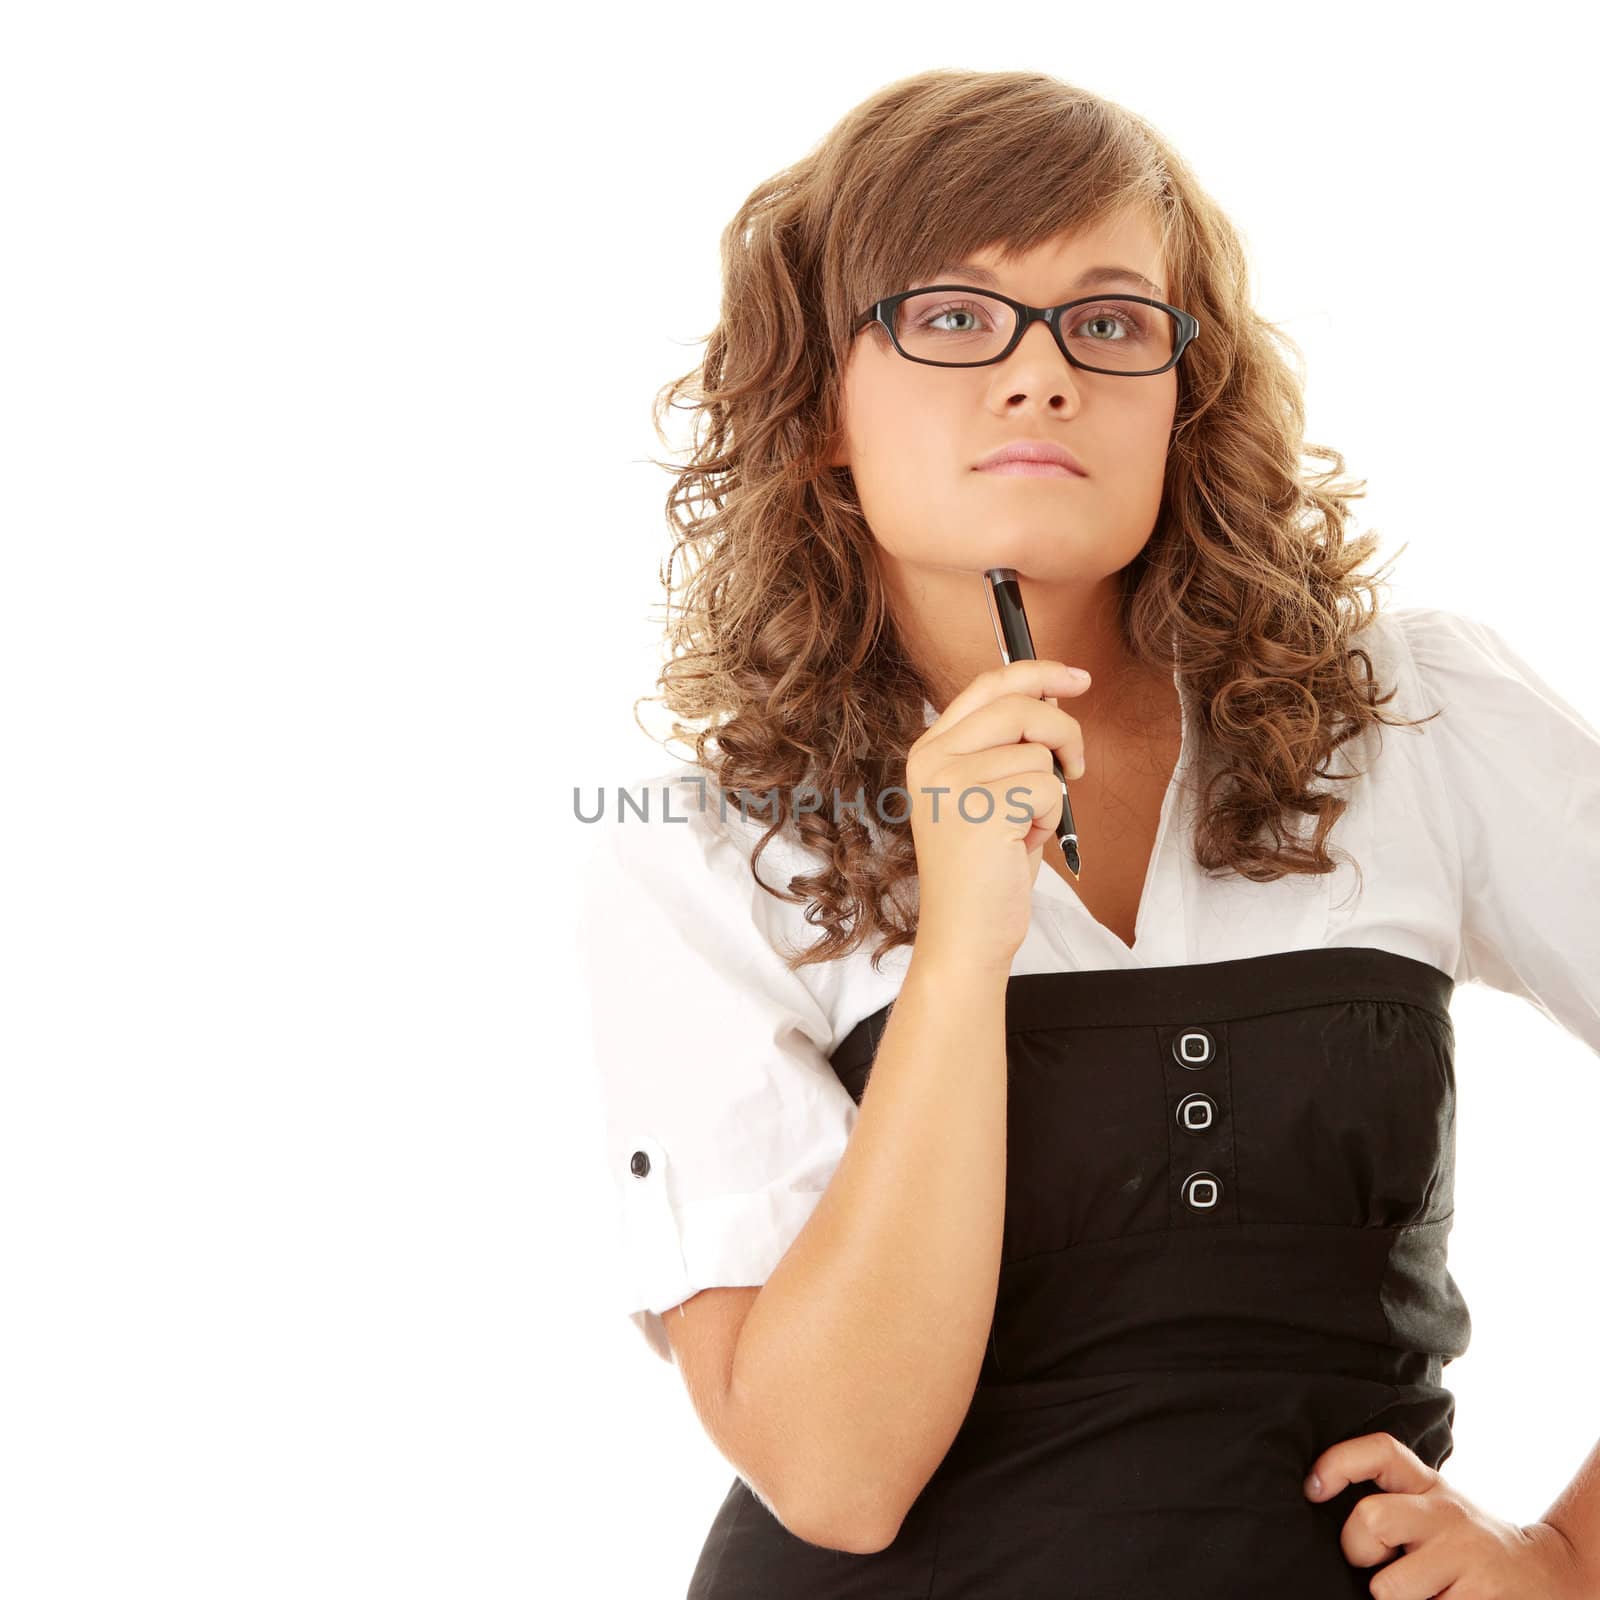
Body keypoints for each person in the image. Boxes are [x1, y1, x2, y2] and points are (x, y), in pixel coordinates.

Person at [578, 67, 1600, 1598]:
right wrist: (960, 947)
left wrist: (1573, 1552)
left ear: (1185, 397)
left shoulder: (1413, 715)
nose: (1040, 376)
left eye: (1109, 322)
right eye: (950, 314)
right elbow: (837, 1479)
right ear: (815, 417)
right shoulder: (701, 842)